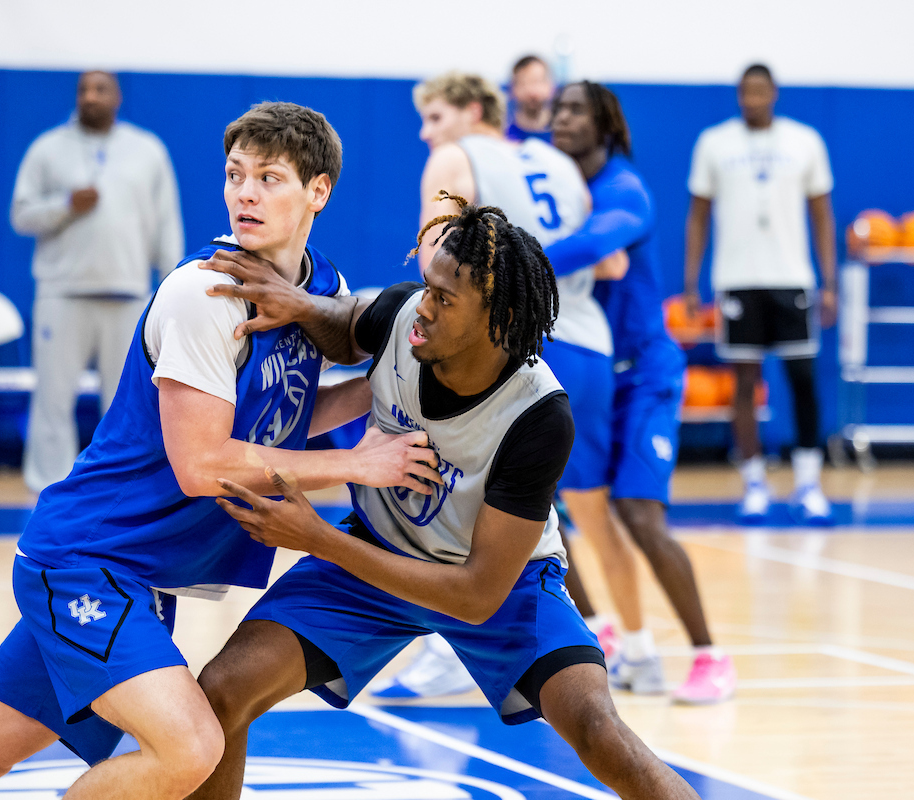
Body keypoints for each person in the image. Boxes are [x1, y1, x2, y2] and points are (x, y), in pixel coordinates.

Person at [0, 101, 439, 800]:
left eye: (269, 177)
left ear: (318, 191)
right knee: (190, 746)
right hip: (87, 562)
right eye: (236, 175)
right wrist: (359, 463)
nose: (245, 193)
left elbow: (281, 420)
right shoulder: (203, 293)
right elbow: (203, 466)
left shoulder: (324, 290)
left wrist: (381, 391)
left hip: (136, 575)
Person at [188, 197, 702, 800]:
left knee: (596, 728)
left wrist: (318, 539)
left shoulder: (538, 415)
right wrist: (300, 303)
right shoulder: (406, 315)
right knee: (220, 693)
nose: (422, 309)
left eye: (444, 299)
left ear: (500, 317)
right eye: (427, 287)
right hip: (377, 551)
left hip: (499, 584)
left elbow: (478, 595)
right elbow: (346, 319)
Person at [376, 71, 623, 698]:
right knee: (580, 513)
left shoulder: (453, 159)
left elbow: (436, 254)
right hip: (589, 343)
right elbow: (613, 260)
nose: (428, 133)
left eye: (435, 117)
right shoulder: (557, 161)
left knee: (446, 494)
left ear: (469, 111)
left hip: (505, 346)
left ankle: (450, 644)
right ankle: (614, 635)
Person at [548, 81, 737, 703]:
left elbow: (597, 245)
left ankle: (711, 656)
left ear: (605, 124)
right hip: (594, 367)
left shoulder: (623, 189)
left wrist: (511, 262)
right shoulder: (558, 187)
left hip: (648, 371)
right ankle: (609, 634)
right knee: (559, 507)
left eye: (575, 109)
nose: (561, 117)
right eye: (558, 109)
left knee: (638, 514)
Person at [12, 71, 185, 493]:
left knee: (129, 403)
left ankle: (122, 486)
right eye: (83, 90)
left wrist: (173, 286)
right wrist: (65, 205)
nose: (91, 96)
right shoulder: (47, 149)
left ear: (117, 97)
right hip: (62, 293)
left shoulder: (148, 151)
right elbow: (21, 215)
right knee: (52, 399)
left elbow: (167, 226)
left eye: (100, 89)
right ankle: (47, 489)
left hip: (128, 295)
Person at [684, 63, 838, 524]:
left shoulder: (805, 141)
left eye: (760, 91)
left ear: (773, 92)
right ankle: (754, 483)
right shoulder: (714, 143)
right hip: (737, 279)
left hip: (793, 279)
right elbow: (698, 217)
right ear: (738, 95)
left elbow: (822, 216)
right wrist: (691, 284)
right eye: (745, 91)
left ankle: (809, 483)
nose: (753, 99)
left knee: (803, 379)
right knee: (745, 383)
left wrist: (829, 282)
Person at [505, 54, 555, 142]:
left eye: (537, 82)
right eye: (523, 83)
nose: (531, 91)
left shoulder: (562, 137)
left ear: (550, 86)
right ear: (513, 89)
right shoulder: (504, 138)